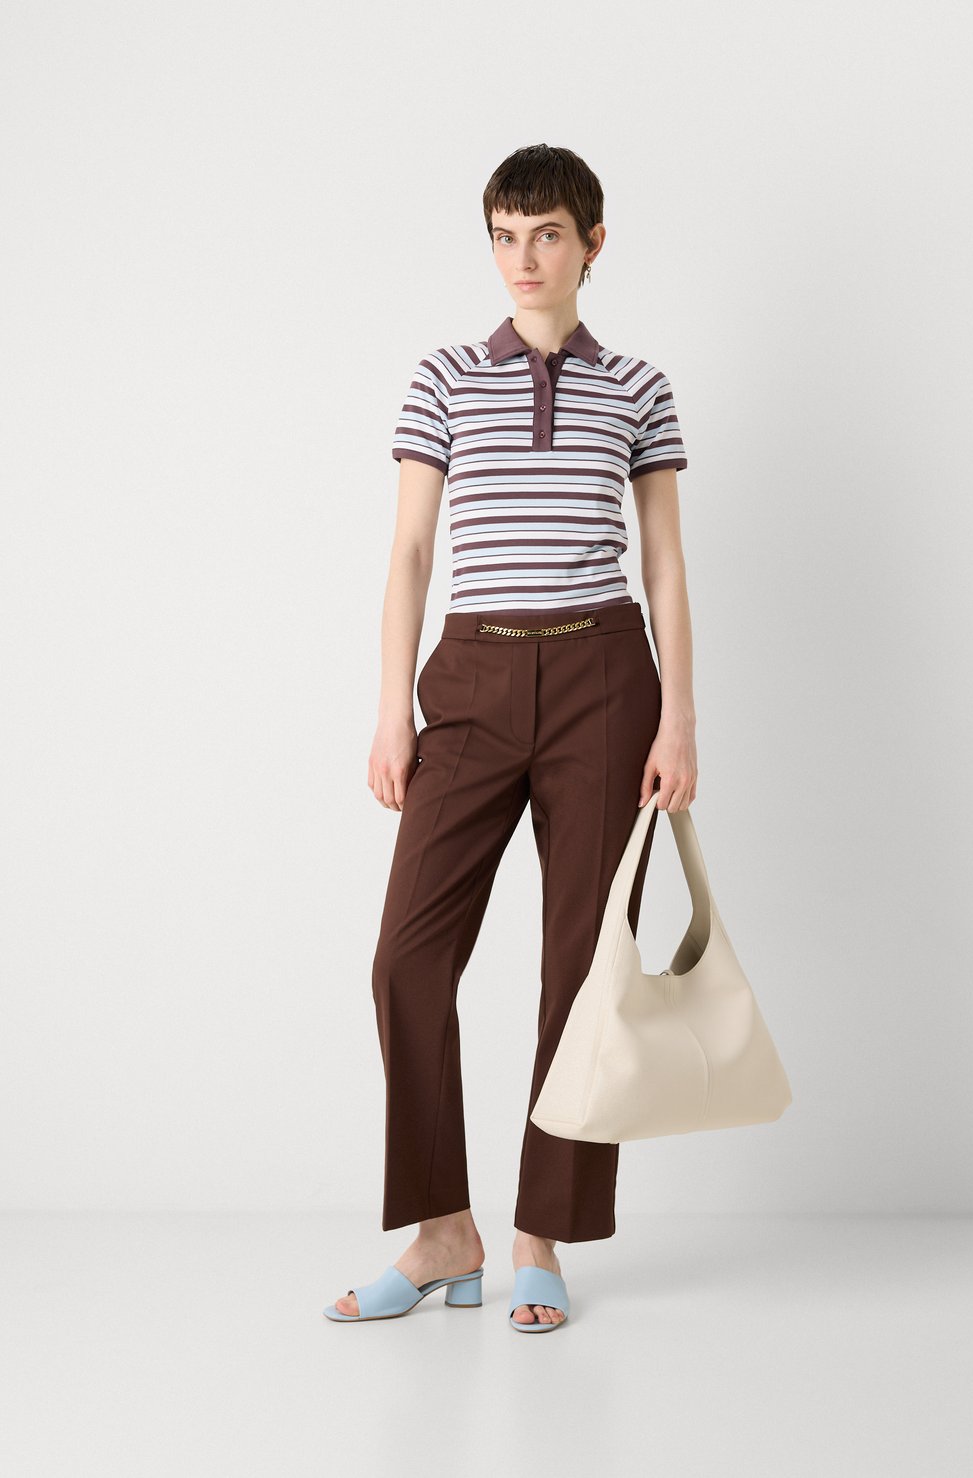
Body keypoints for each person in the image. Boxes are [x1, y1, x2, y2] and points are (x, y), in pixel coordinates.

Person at [325, 143, 698, 1332]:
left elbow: (664, 561)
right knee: (405, 955)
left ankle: (542, 1232)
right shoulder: (444, 377)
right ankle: (444, 1229)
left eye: (545, 235)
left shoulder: (637, 386)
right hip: (472, 679)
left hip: (605, 678)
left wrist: (679, 715)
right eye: (503, 234)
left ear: (592, 243)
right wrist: (392, 707)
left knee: (582, 967)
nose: (522, 258)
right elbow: (408, 553)